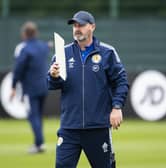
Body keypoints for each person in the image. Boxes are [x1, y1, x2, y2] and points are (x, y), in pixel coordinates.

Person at [47, 11, 129, 168]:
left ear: (92, 27)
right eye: (75, 25)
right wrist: (53, 76)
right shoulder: (62, 53)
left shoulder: (107, 52)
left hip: (97, 128)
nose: (77, 28)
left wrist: (117, 107)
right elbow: (51, 84)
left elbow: (121, 81)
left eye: (81, 25)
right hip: (69, 128)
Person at [10, 21, 49, 154]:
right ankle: (40, 142)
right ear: (36, 33)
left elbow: (18, 69)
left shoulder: (25, 49)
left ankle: (39, 144)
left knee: (33, 116)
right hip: (44, 86)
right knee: (38, 115)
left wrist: (13, 86)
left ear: (24, 34)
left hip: (31, 88)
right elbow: (48, 46)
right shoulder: (43, 46)